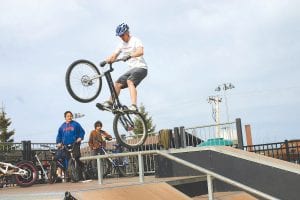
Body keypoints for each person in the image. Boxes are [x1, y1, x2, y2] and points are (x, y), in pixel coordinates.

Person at [96, 23, 148, 111]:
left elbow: (140, 51)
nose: (122, 37)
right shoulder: (121, 45)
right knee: (117, 84)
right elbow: (114, 55)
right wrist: (106, 61)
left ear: (127, 32)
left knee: (129, 81)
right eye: (120, 36)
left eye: (122, 35)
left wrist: (130, 55)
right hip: (131, 70)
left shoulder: (135, 40)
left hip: (141, 68)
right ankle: (110, 103)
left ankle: (134, 106)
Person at [56, 111, 85, 181]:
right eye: (68, 116)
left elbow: (82, 131)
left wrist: (80, 138)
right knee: (67, 160)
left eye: (70, 116)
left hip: (75, 143)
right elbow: (59, 136)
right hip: (65, 145)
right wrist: (58, 143)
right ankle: (70, 176)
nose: (69, 117)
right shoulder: (62, 127)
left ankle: (81, 174)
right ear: (65, 117)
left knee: (76, 157)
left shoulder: (76, 124)